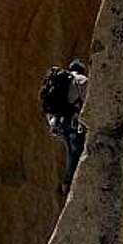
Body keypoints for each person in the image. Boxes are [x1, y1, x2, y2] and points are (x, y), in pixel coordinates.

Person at [40, 59, 89, 195]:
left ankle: (68, 184)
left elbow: (49, 107)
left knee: (71, 151)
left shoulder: (61, 80)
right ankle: (69, 185)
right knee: (76, 153)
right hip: (74, 123)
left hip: (60, 124)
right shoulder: (83, 80)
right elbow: (87, 103)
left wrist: (53, 124)